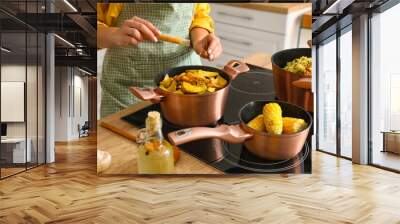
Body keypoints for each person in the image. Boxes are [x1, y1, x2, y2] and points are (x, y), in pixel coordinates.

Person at [97, 3, 223, 117]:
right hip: (126, 90)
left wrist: (200, 38)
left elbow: (199, 15)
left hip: (186, 85)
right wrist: (112, 34)